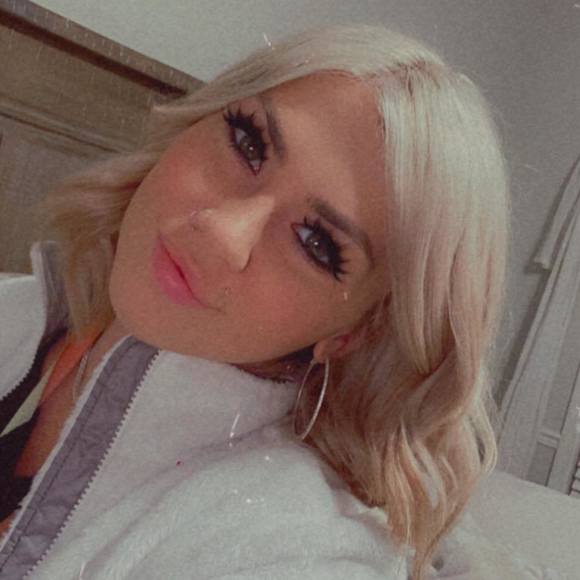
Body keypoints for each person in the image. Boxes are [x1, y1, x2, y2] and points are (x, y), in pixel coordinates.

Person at [0, 23, 510, 580]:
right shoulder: (21, 309)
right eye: (249, 143)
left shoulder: (292, 544)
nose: (222, 234)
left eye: (316, 243)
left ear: (351, 333)